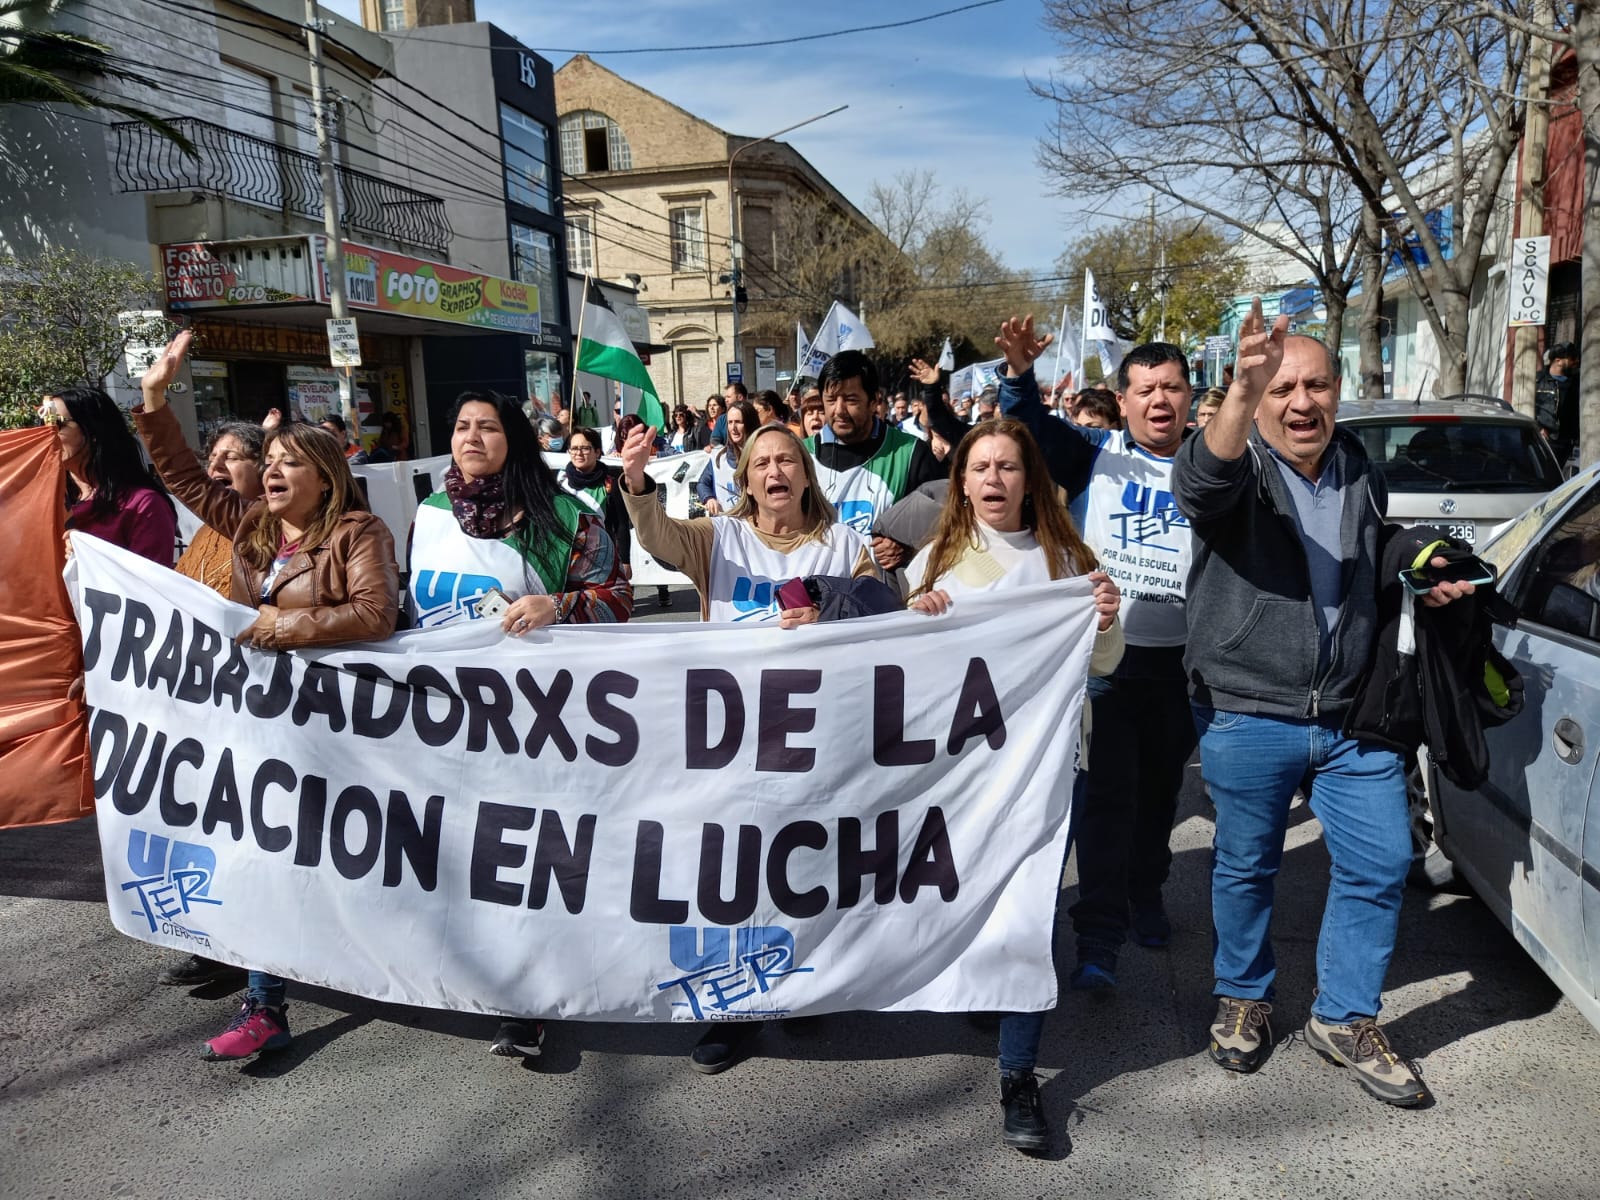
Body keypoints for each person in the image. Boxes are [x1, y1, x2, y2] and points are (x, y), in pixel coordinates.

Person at [1171, 299, 1475, 1108]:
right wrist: (1241, 386)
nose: (1301, 402)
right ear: (1260, 399)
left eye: (1317, 385)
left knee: (1380, 860)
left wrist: (1418, 569)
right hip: (1246, 709)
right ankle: (1243, 996)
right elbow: (1202, 480)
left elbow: (1371, 556)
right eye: (1283, 388)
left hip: (1350, 716)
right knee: (1246, 866)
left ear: (1338, 391)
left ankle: (1344, 1017)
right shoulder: (1239, 467)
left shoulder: (1358, 466)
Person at [134, 330, 400, 1062]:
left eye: (290, 463)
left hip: (341, 730)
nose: (275, 472)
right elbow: (187, 481)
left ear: (323, 477)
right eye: (272, 463)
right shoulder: (251, 526)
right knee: (263, 854)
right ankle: (266, 1004)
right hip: (261, 727)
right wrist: (156, 399)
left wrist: (284, 624)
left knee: (350, 862)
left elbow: (378, 614)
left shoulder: (356, 532)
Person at [618, 419, 881, 1072]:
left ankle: (807, 989)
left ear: (805, 472)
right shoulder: (721, 538)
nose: (775, 472)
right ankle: (731, 1012)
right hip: (730, 739)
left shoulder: (843, 542)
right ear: (745, 480)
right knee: (732, 876)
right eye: (761, 462)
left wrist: (832, 608)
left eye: (787, 460)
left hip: (816, 741)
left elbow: (884, 604)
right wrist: (635, 479)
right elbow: (658, 536)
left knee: (807, 872)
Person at [905, 418, 1123, 1153]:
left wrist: (1103, 620)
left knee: (1027, 911)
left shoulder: (1069, 559)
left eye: (1007, 466)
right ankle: (984, 987)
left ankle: (1018, 1073)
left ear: (1031, 479)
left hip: (1048, 768)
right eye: (980, 466)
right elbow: (900, 675)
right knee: (970, 895)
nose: (994, 479)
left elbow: (1103, 666)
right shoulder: (937, 560)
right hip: (959, 776)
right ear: (960, 481)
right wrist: (916, 616)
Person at [994, 316, 1196, 994]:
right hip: (1107, 664)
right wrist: (1019, 376)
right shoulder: (1095, 453)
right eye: (1144, 389)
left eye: (1171, 387)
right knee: (1107, 802)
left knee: (1161, 796)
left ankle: (1148, 893)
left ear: (1190, 397)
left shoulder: (1211, 464)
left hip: (1185, 671)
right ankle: (1099, 939)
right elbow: (1028, 428)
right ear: (1125, 398)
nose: (1158, 400)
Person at [409, 393, 631, 634]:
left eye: (486, 427)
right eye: (462, 427)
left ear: (514, 440)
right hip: (427, 670)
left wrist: (555, 608)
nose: (471, 437)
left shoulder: (571, 520)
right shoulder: (428, 512)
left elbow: (617, 601)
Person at [805, 350, 945, 568]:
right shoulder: (801, 455)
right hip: (816, 594)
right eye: (831, 400)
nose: (839, 410)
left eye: (851, 400)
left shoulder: (910, 453)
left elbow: (945, 526)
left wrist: (907, 548)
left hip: (884, 597)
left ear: (874, 402)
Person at [42, 385, 178, 566]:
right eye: (42, 426)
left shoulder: (144, 505)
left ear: (93, 431)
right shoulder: (46, 500)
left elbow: (149, 585)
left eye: (57, 424)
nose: (47, 435)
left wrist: (93, 559)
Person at [562, 425, 632, 564]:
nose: (579, 453)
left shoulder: (610, 484)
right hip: (566, 559)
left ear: (597, 452)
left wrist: (625, 561)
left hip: (601, 559)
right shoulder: (559, 482)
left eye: (585, 448)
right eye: (574, 448)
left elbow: (621, 525)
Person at [696, 398, 758, 515]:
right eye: (730, 422)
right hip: (727, 524)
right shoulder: (719, 456)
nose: (733, 428)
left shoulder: (762, 456)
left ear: (750, 423)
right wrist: (709, 498)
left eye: (738, 422)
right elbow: (702, 483)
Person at [1535, 341, 1578, 469]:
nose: (1575, 362)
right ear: (1558, 361)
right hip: (1546, 441)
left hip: (1569, 443)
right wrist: (1538, 427)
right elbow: (1529, 407)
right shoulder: (1538, 381)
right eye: (1571, 359)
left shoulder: (1577, 382)